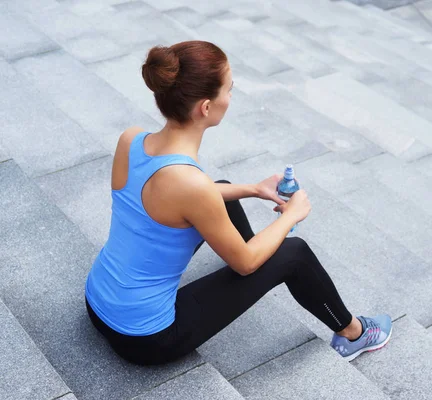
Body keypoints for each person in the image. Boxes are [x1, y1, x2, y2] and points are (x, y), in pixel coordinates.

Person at [84, 40, 392, 365]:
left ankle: (254, 252)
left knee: (223, 189)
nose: (230, 97)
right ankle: (355, 334)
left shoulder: (130, 139)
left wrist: (254, 189)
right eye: (229, 90)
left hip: (97, 301)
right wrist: (291, 216)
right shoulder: (191, 184)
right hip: (144, 338)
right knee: (294, 252)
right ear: (205, 107)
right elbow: (240, 257)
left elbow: (167, 197)